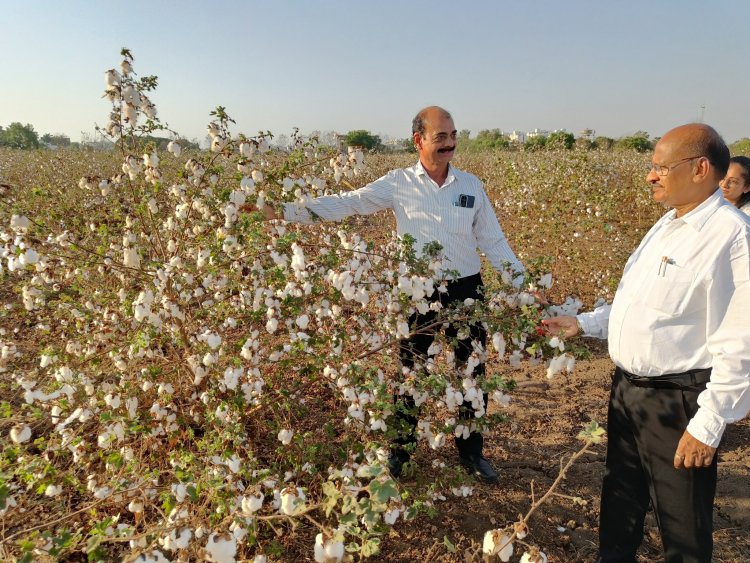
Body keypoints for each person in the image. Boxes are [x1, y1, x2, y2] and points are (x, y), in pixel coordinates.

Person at [260, 106, 526, 483]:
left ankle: (471, 452)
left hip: (466, 290)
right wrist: (283, 211)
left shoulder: (471, 186)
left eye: (453, 136)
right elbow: (347, 202)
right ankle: (400, 453)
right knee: (411, 372)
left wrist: (524, 286)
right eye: (441, 137)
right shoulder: (398, 182)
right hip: (416, 292)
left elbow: (493, 239)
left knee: (472, 370)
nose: (450, 144)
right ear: (418, 141)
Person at [543, 123, 750, 562]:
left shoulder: (732, 237)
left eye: (660, 167)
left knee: (682, 526)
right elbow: (639, 304)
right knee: (620, 500)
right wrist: (585, 324)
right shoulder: (668, 225)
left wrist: (708, 425)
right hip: (628, 393)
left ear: (699, 169)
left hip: (677, 402)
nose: (651, 176)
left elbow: (741, 341)